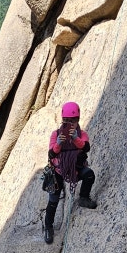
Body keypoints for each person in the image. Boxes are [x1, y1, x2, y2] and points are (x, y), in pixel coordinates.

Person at [44, 101, 96, 245]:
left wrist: (75, 139)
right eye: (66, 121)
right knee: (53, 201)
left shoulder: (81, 134)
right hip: (59, 171)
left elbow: (86, 148)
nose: (69, 124)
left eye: (72, 121)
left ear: (78, 120)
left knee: (89, 175)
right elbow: (51, 154)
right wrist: (59, 144)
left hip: (76, 169)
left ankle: (84, 198)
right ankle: (48, 226)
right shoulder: (55, 135)